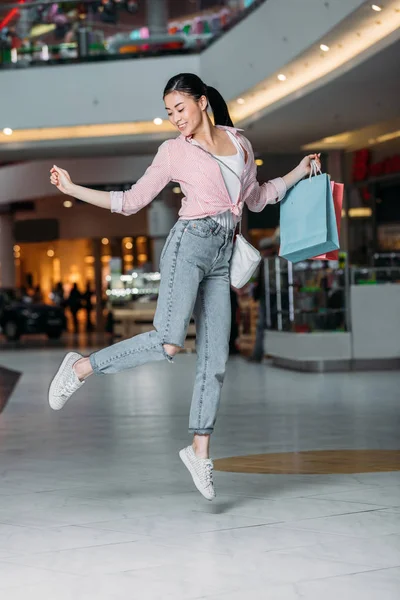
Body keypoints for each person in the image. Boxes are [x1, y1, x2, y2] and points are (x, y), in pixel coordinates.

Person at [48, 73, 321, 501]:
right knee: (169, 342)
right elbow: (130, 201)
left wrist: (299, 172)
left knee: (216, 355)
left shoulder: (241, 144)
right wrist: (72, 188)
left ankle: (199, 450)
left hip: (223, 253)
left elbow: (257, 197)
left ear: (203, 101)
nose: (175, 118)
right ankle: (81, 367)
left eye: (180, 108)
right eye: (169, 112)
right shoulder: (173, 151)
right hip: (188, 245)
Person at [248, 229, 280, 362]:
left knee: (267, 325)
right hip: (266, 296)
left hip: (273, 296)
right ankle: (259, 354)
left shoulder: (271, 262)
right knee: (264, 325)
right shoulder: (264, 262)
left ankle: (266, 353)